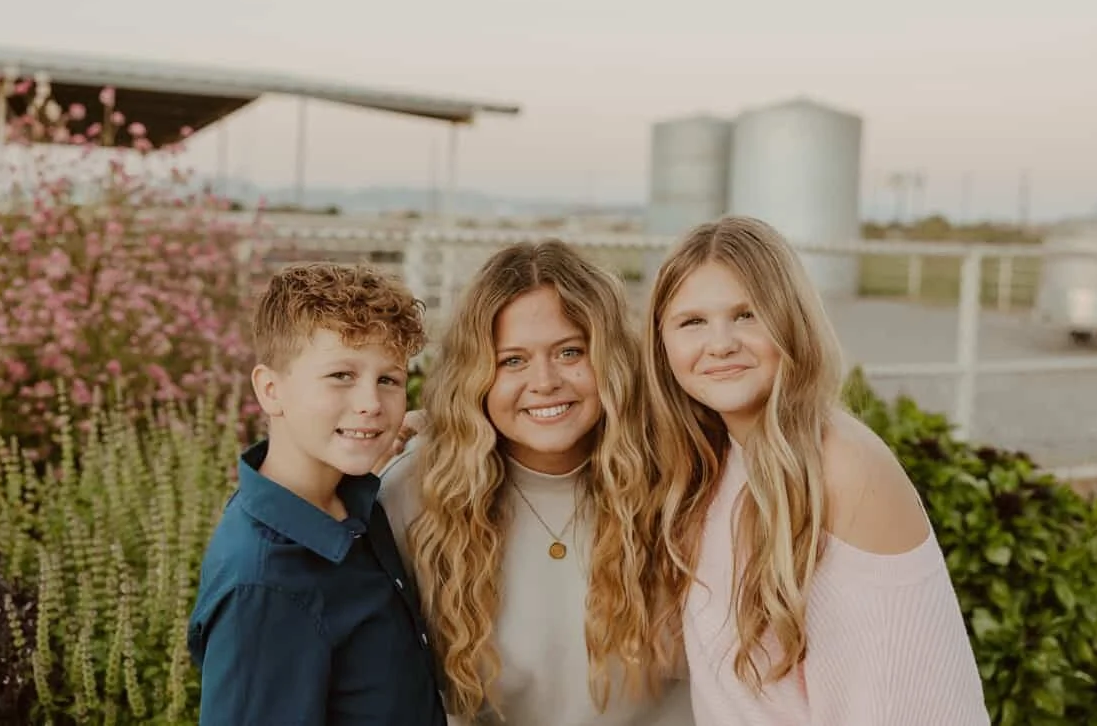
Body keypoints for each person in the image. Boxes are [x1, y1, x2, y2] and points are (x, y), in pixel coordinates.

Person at [643, 215, 990, 725]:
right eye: (692, 321)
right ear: (662, 344)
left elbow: (907, 702)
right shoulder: (712, 461)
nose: (720, 343)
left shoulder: (839, 464)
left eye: (747, 314)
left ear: (791, 321)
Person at [380, 240, 693, 726]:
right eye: (513, 361)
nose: (544, 381)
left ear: (610, 358)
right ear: (476, 376)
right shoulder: (417, 496)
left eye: (570, 351)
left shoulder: (680, 478)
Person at [187, 262, 446, 726]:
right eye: (341, 376)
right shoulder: (265, 586)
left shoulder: (349, 502)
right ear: (271, 390)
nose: (371, 402)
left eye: (388, 379)